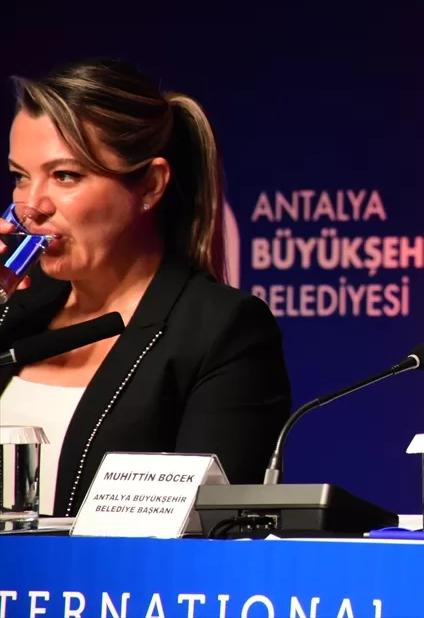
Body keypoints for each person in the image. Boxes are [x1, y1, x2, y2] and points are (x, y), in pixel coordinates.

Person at [0, 58, 292, 517]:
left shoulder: (219, 331)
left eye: (65, 176)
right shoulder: (12, 312)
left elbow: (213, 532)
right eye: (20, 176)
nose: (30, 206)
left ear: (151, 186)